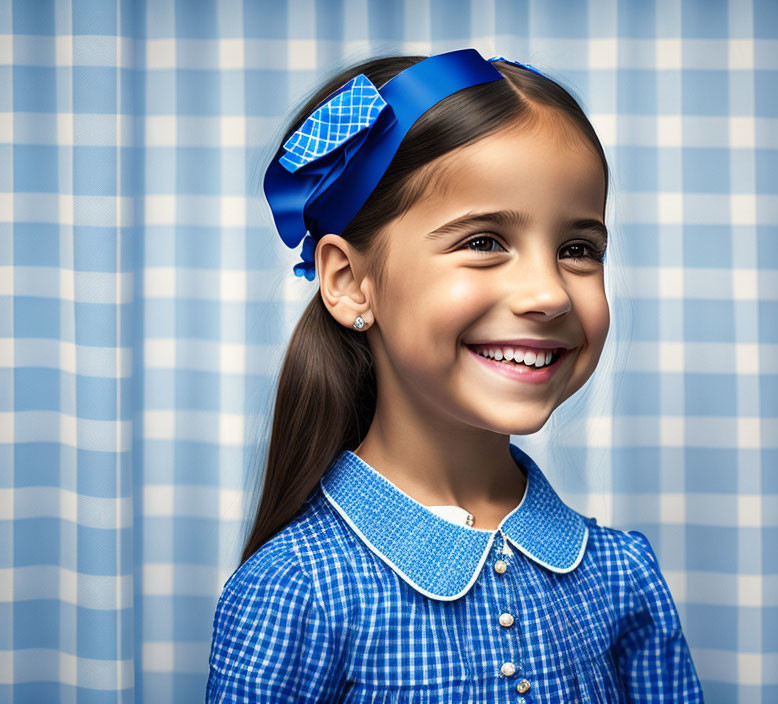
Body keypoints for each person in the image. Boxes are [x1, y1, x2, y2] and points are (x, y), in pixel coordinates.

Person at [205, 48, 704, 703]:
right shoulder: (295, 590)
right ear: (350, 282)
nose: (548, 294)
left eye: (577, 249)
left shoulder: (624, 575)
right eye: (485, 242)